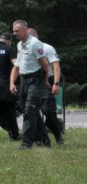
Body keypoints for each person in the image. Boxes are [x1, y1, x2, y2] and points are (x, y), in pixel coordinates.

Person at [9, 20, 50, 150]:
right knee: (33, 112)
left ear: (25, 30)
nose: (14, 33)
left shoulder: (34, 44)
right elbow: (17, 67)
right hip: (24, 81)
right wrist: (11, 83)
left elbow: (44, 64)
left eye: (17, 31)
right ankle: (44, 140)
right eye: (13, 31)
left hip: (35, 79)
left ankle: (26, 143)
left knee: (29, 111)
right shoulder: (20, 44)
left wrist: (45, 80)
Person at [28, 28, 64, 145]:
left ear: (36, 37)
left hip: (45, 82)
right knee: (32, 112)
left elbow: (56, 66)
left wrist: (56, 83)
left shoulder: (47, 48)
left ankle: (58, 135)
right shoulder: (24, 48)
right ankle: (39, 138)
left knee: (49, 113)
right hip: (31, 81)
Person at [0, 31, 19, 141]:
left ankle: (7, 127)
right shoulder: (9, 49)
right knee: (10, 112)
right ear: (9, 41)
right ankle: (15, 136)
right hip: (5, 85)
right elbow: (16, 64)